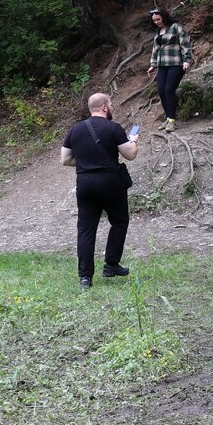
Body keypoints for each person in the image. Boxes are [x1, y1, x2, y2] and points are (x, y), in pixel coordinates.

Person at [61, 93, 139, 289]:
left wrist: (88, 163)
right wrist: (134, 140)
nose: (112, 107)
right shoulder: (113, 128)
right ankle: (111, 265)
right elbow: (129, 155)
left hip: (85, 184)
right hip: (111, 182)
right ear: (104, 107)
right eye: (111, 104)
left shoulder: (75, 129)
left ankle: (85, 277)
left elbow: (65, 159)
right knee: (119, 221)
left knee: (86, 229)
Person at [146, 7, 192, 132]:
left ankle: (172, 120)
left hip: (176, 63)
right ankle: (167, 118)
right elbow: (155, 49)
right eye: (154, 20)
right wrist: (152, 65)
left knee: (169, 90)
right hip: (162, 65)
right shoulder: (158, 31)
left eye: (158, 19)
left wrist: (187, 60)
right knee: (161, 90)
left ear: (164, 16)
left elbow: (185, 44)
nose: (156, 22)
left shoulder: (176, 27)